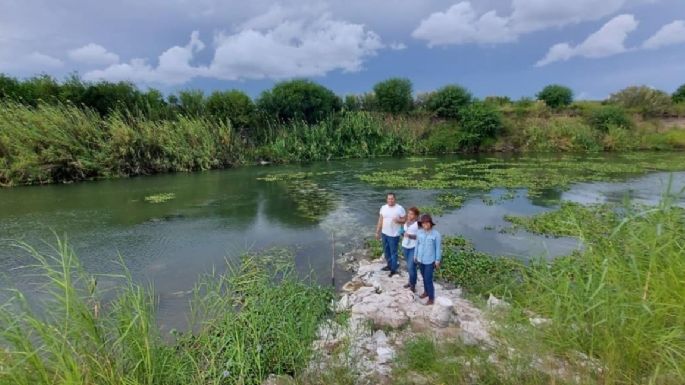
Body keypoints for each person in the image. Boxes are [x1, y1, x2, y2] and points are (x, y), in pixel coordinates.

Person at [375, 192, 406, 277]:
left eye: (392, 199)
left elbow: (404, 220)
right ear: (387, 199)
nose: (390, 200)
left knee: (393, 252)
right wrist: (377, 232)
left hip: (394, 235)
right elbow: (380, 220)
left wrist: (399, 221)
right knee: (386, 251)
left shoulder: (400, 208)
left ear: (395, 199)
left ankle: (393, 269)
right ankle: (389, 265)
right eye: (389, 199)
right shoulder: (383, 208)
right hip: (384, 233)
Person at [415, 214, 441, 305]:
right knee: (423, 277)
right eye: (423, 223)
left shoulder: (436, 234)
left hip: (430, 261)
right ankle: (426, 292)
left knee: (428, 279)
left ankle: (431, 298)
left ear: (430, 223)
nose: (425, 225)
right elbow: (417, 245)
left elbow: (438, 248)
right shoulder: (419, 232)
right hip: (420, 259)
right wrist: (415, 256)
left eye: (427, 223)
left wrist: (437, 260)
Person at [402, 207, 420, 292]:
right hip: (405, 246)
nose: (409, 215)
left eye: (411, 214)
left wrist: (410, 236)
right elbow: (403, 231)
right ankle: (410, 282)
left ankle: (413, 285)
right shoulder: (406, 221)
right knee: (409, 267)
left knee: (411, 266)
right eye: (408, 213)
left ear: (416, 216)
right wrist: (402, 233)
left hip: (413, 248)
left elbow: (420, 237)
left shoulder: (418, 224)